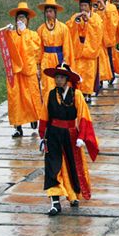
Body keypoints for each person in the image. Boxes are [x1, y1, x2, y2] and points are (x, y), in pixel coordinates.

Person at [38, 63, 98, 215]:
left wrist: (82, 136)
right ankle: (55, 201)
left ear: (67, 79)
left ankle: (73, 195)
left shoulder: (76, 95)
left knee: (72, 166)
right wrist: (42, 136)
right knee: (53, 167)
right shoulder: (49, 95)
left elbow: (84, 117)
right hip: (53, 134)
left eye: (61, 77)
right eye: (56, 77)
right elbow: (44, 117)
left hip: (71, 134)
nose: (58, 80)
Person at [2, 1, 43, 138]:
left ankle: (34, 118)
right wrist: (6, 34)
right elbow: (7, 50)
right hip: (15, 73)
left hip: (29, 70)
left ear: (28, 20)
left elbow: (34, 51)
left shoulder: (32, 34)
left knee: (32, 97)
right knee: (16, 100)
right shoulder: (12, 34)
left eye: (23, 18)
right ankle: (18, 127)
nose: (21, 20)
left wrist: (24, 32)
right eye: (18, 18)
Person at [68, 0, 103, 102]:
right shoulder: (76, 16)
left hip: (90, 48)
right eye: (81, 5)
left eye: (85, 5)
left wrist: (89, 21)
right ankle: (78, 92)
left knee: (88, 72)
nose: (83, 8)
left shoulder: (95, 17)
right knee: (78, 71)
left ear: (90, 6)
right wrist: (75, 21)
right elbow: (69, 28)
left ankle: (87, 93)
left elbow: (98, 30)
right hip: (79, 47)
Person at [93, 0, 119, 87]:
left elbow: (114, 22)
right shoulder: (94, 8)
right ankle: (99, 78)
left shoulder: (111, 7)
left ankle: (111, 75)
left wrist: (105, 9)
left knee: (110, 57)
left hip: (107, 37)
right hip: (97, 37)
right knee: (99, 59)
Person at [36, 0, 72, 75]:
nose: (48, 13)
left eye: (50, 11)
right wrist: (38, 64)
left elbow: (66, 46)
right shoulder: (41, 29)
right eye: (47, 11)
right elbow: (39, 48)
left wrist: (65, 61)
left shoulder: (63, 28)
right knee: (46, 82)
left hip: (58, 58)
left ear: (55, 12)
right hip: (45, 59)